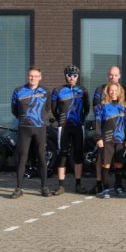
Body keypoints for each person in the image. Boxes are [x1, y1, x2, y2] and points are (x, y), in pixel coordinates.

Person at [10, 66, 51, 199]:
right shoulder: (18, 91)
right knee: (22, 158)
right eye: (30, 76)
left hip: (40, 128)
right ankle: (18, 188)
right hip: (24, 128)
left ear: (40, 77)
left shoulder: (45, 91)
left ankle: (44, 187)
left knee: (41, 157)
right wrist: (24, 119)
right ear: (28, 76)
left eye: (35, 76)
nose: (33, 78)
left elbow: (48, 109)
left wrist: (42, 120)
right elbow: (14, 109)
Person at [51, 65, 90, 195]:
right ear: (65, 76)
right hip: (64, 127)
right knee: (62, 154)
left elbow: (87, 108)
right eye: (69, 75)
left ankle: (78, 184)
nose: (72, 78)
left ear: (77, 77)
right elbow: (54, 109)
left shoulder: (83, 91)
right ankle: (61, 186)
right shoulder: (58, 91)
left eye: (74, 75)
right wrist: (61, 120)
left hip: (78, 126)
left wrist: (81, 119)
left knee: (78, 154)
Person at [91, 66, 126, 194]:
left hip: (120, 138)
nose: (113, 92)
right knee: (105, 163)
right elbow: (97, 119)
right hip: (106, 138)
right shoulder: (102, 103)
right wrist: (98, 136)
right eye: (111, 90)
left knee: (119, 163)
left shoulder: (123, 105)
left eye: (115, 90)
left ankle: (118, 186)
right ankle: (104, 187)